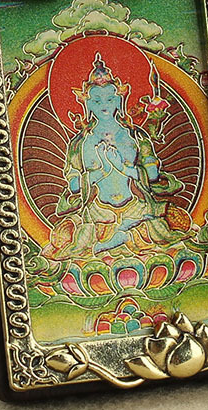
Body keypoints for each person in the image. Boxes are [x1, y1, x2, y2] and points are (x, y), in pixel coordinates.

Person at [42, 54, 192, 261]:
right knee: (66, 236)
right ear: (87, 104)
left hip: (137, 207)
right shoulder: (79, 143)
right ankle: (122, 236)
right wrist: (101, 171)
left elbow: (152, 175)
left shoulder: (136, 136)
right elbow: (74, 186)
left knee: (175, 222)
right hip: (98, 212)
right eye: (96, 100)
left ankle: (117, 238)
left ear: (120, 100)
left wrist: (124, 168)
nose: (104, 105)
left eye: (110, 99)